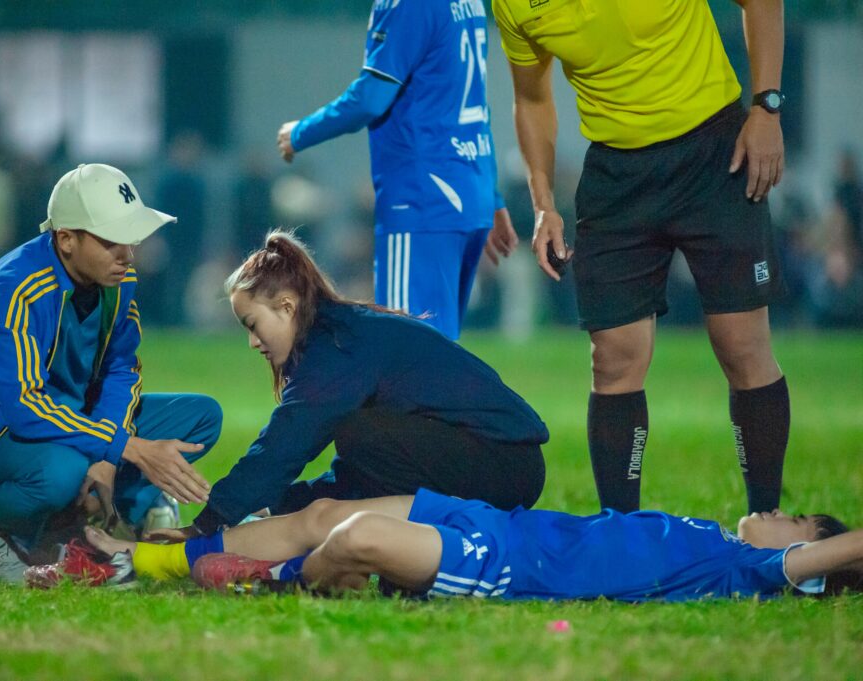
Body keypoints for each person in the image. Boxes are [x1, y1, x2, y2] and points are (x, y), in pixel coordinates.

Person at [492, 0, 793, 514]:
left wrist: (766, 107)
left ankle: (766, 520)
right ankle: (621, 532)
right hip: (616, 174)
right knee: (614, 359)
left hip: (714, 152)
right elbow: (532, 97)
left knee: (741, 345)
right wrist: (544, 203)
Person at [0, 163, 222, 583]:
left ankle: (112, 517)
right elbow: (24, 406)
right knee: (60, 472)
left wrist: (109, 458)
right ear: (66, 239)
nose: (127, 254)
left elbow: (122, 368)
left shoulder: (118, 279)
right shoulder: (13, 288)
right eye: (111, 240)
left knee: (202, 418)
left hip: (69, 419)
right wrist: (125, 447)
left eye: (130, 239)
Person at [186, 231, 549, 538]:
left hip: (505, 462)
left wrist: (208, 524)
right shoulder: (341, 334)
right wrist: (281, 507)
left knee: (360, 433)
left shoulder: (338, 346)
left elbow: (285, 443)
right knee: (363, 439)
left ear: (286, 307)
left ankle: (426, 546)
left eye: (252, 324)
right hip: (505, 460)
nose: (252, 342)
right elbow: (359, 475)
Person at [71, 490, 861, 602]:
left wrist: (829, 552)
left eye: (800, 522)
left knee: (357, 536)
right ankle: (142, 557)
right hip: (502, 519)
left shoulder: (750, 569)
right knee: (326, 510)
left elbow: (840, 552)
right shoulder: (716, 534)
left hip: (511, 566)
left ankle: (276, 582)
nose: (781, 514)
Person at [275, 0, 519, 340]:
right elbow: (477, 105)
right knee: (438, 354)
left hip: (423, 200)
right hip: (467, 189)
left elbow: (371, 98)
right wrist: (491, 196)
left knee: (410, 356)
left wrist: (300, 133)